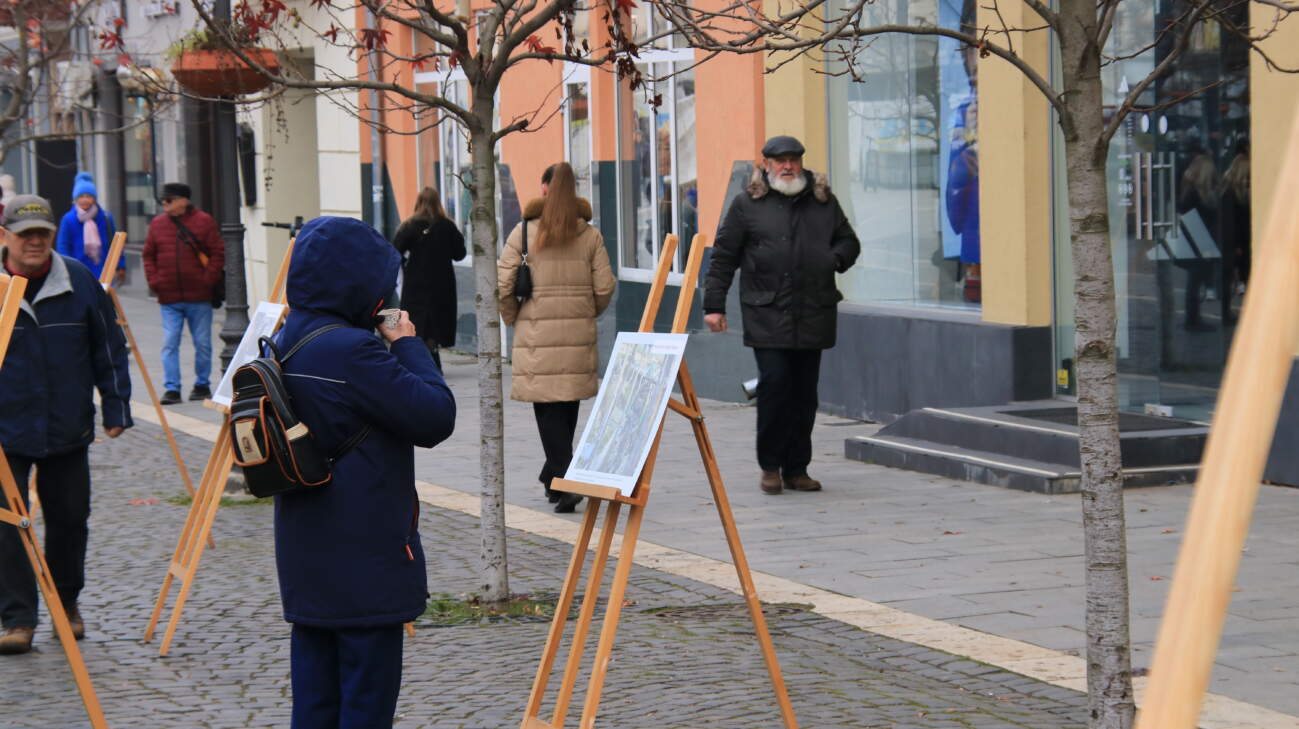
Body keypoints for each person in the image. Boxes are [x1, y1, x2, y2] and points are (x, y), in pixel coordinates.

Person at [271, 216, 455, 728]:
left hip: (307, 554)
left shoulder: (285, 337)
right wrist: (407, 343)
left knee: (314, 704)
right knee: (364, 705)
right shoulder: (353, 350)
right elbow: (435, 416)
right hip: (363, 558)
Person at [0, 195, 132, 655]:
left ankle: (66, 604)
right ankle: (16, 617)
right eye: (24, 234)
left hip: (67, 426)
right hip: (5, 433)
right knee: (7, 525)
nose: (35, 242)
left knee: (70, 522)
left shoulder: (77, 279)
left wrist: (116, 405)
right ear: (5, 237)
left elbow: (108, 345)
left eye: (42, 234)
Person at [703, 135, 860, 495]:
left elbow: (849, 242)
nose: (788, 166)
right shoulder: (747, 204)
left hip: (813, 310)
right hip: (766, 311)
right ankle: (770, 466)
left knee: (805, 394)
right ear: (767, 165)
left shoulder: (823, 202)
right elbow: (724, 256)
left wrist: (833, 259)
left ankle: (797, 468)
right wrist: (713, 306)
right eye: (780, 161)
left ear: (801, 163)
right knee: (775, 386)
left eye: (793, 160)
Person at [498, 163, 615, 513]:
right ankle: (554, 478)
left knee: (548, 411)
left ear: (544, 189)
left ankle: (565, 483)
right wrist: (585, 311)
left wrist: (514, 318)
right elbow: (605, 286)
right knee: (566, 408)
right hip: (578, 335)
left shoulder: (523, 233)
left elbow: (504, 286)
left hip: (536, 337)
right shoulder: (590, 235)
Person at [142, 182, 225, 404]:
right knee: (170, 342)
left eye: (168, 200)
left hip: (199, 296)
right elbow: (148, 255)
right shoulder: (157, 225)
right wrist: (155, 281)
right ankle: (172, 388)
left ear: (183, 200)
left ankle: (202, 384)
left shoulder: (204, 221)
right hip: (169, 296)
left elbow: (217, 253)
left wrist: (207, 280)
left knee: (203, 342)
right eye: (162, 201)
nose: (164, 205)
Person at [391, 186, 466, 369]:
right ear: (438, 203)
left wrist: (407, 263)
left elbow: (393, 252)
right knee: (437, 320)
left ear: (418, 203)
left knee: (418, 321)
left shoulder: (409, 226)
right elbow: (460, 254)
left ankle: (423, 358)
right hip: (442, 282)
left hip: (416, 282)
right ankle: (432, 354)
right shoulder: (447, 226)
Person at [56, 172, 124, 282]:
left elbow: (114, 244)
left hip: (103, 271)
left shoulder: (105, 217)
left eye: (88, 196)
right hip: (77, 273)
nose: (85, 200)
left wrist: (120, 265)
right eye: (81, 197)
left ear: (94, 199)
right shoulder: (68, 219)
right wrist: (66, 269)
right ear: (75, 199)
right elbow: (63, 246)